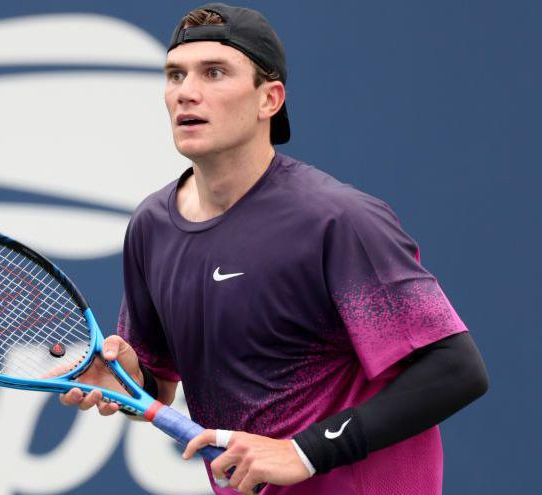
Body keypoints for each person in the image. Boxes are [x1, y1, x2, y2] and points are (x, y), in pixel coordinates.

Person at [58, 3, 488, 494]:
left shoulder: (336, 221)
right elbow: (157, 380)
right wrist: (127, 383)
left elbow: (456, 370)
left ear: (270, 99)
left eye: (214, 73)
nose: (186, 93)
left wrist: (305, 451)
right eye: (175, 75)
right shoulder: (153, 227)